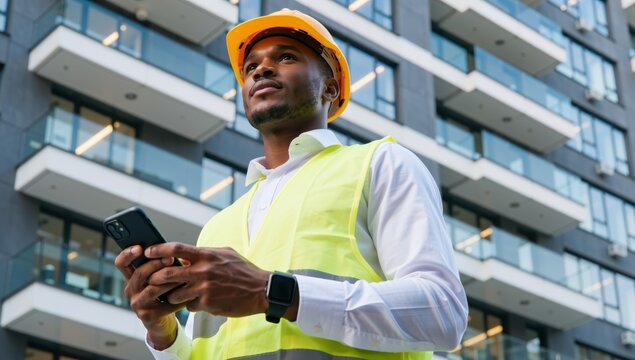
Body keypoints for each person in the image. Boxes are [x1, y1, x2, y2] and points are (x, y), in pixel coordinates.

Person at [115, 8, 468, 360]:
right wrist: (163, 333)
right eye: (250, 67)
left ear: (330, 87)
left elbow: (443, 313)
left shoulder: (379, 164)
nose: (262, 70)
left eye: (286, 57)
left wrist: (271, 292)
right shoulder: (217, 228)